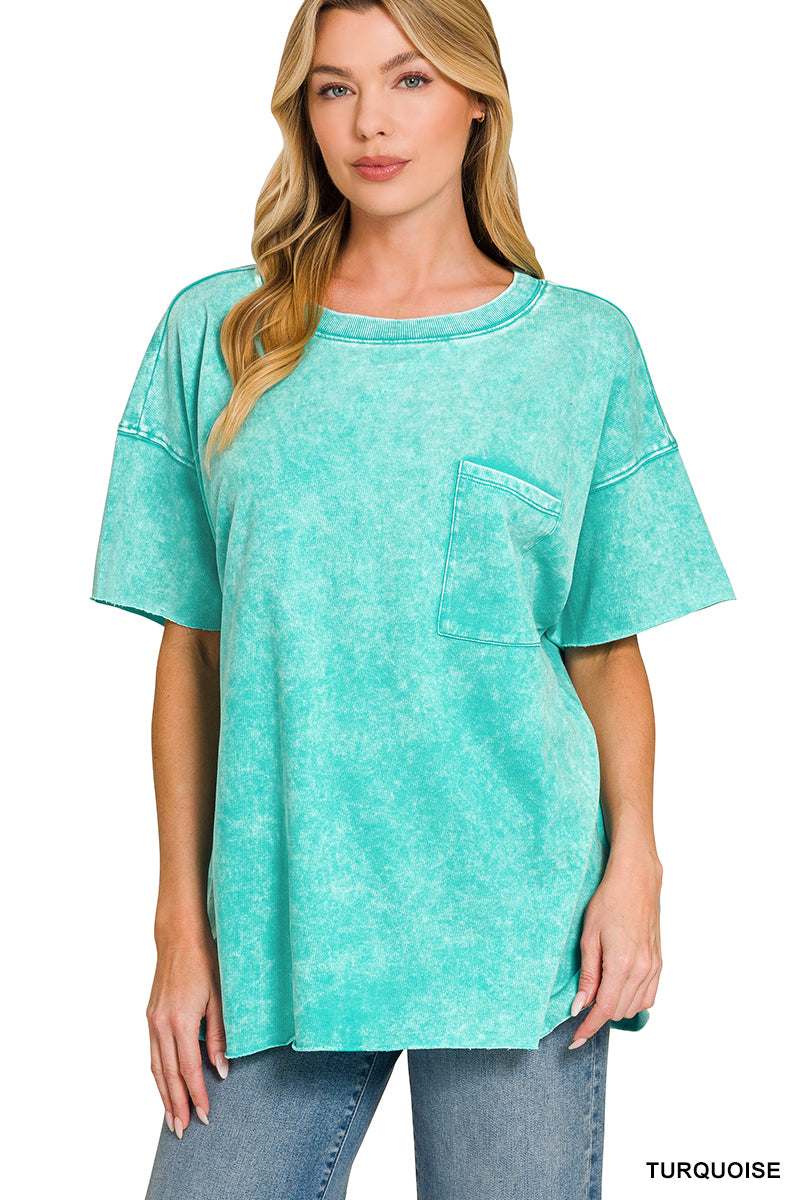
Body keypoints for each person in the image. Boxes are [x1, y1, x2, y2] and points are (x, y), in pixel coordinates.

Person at [90, 1, 736, 1196]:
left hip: (519, 924)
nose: (368, 124)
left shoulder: (577, 349)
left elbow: (601, 652)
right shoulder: (217, 334)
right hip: (278, 923)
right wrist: (179, 924)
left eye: (407, 80)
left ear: (476, 101)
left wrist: (636, 866)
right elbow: (192, 647)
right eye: (333, 88)